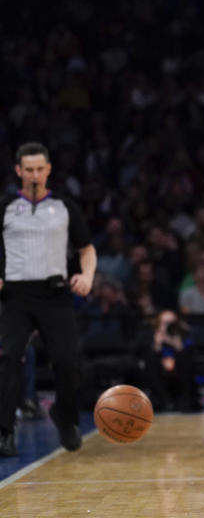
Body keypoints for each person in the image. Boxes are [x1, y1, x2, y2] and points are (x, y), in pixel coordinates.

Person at [0, 142, 97, 455]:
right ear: (18, 171)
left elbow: (86, 248)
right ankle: (5, 431)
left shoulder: (64, 206)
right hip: (16, 295)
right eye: (28, 170)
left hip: (55, 294)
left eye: (40, 169)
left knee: (69, 362)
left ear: (48, 170)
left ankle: (65, 417)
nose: (34, 175)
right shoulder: (5, 206)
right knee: (8, 358)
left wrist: (87, 276)